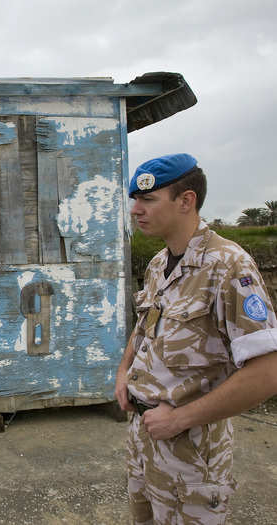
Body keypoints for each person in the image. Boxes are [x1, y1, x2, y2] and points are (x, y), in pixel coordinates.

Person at [115, 153, 277, 524]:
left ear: (186, 201)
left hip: (192, 451)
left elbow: (268, 371)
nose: (136, 210)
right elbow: (145, 327)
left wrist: (179, 419)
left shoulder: (228, 266)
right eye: (135, 201)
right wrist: (124, 371)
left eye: (148, 200)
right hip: (144, 438)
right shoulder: (159, 264)